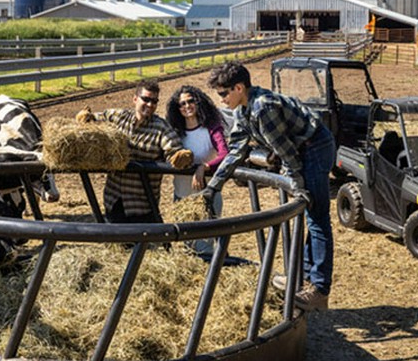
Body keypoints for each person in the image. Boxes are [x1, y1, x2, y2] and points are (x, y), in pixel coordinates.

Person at [200, 61, 335, 311]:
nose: (221, 100)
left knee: (317, 216)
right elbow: (237, 150)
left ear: (239, 88)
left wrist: (296, 182)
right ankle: (303, 279)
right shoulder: (242, 111)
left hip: (314, 146)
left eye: (223, 94)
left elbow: (287, 152)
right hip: (300, 148)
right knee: (308, 214)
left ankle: (319, 289)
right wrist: (214, 186)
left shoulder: (263, 108)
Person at [75, 80, 192, 223]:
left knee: (142, 244)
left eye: (154, 101)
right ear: (135, 99)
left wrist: (179, 156)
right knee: (116, 241)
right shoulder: (118, 117)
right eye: (146, 99)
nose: (150, 105)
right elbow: (97, 121)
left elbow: (172, 149)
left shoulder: (161, 128)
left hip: (142, 205)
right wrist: (87, 118)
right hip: (115, 199)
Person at [165, 85, 229, 254]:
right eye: (182, 104)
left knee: (204, 248)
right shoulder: (174, 132)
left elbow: (224, 153)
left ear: (198, 102)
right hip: (182, 197)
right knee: (188, 246)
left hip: (206, 197)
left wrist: (205, 166)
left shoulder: (211, 127)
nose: (187, 106)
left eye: (190, 101)